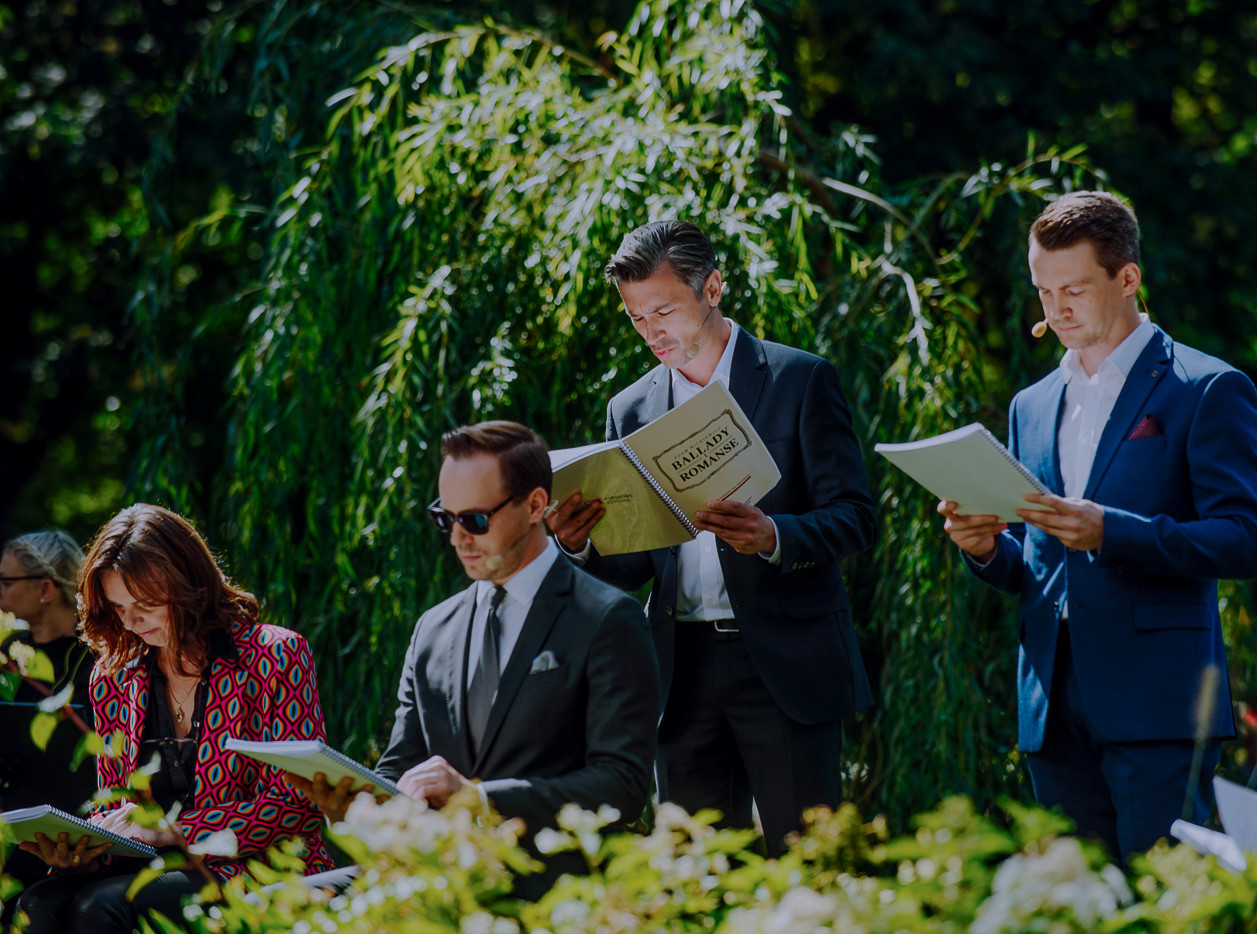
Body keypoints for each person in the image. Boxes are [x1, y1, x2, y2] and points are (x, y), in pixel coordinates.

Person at [936, 191, 1257, 861]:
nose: (1055, 309)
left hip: (1158, 706)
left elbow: (1246, 540)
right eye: (1043, 291)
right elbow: (1037, 566)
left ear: (1127, 278)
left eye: (1074, 290)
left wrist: (1111, 531)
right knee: (1072, 901)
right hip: (1049, 706)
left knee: (1159, 900)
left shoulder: (1206, 388)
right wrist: (986, 550)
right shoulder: (1031, 406)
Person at [547, 220, 876, 855]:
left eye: (663, 311)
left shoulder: (799, 379)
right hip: (680, 671)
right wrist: (579, 543)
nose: (651, 332)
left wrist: (774, 534)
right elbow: (634, 565)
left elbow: (855, 516)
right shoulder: (630, 409)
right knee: (694, 875)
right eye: (636, 318)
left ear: (713, 288)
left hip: (784, 663)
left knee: (807, 863)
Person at [296, 422, 659, 878]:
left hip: (546, 883)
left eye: (475, 520)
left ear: (535, 505)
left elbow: (623, 786)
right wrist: (352, 809)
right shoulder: (433, 629)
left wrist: (480, 800)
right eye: (445, 518)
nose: (457, 538)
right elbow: (399, 770)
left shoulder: (608, 618)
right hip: (433, 876)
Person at [15, 504, 334, 933]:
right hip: (146, 867)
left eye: (146, 604)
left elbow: (297, 807)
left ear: (190, 585)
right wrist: (85, 850)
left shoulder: (276, 655)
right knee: (37, 904)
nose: (132, 622)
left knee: (99, 907)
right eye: (118, 607)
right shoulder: (112, 677)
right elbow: (115, 804)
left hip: (255, 866)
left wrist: (173, 830)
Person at [0, 530, 97, 919]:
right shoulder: (8, 657)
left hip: (73, 836)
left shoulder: (100, 661)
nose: (0, 593)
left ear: (45, 589)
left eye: (6, 582)